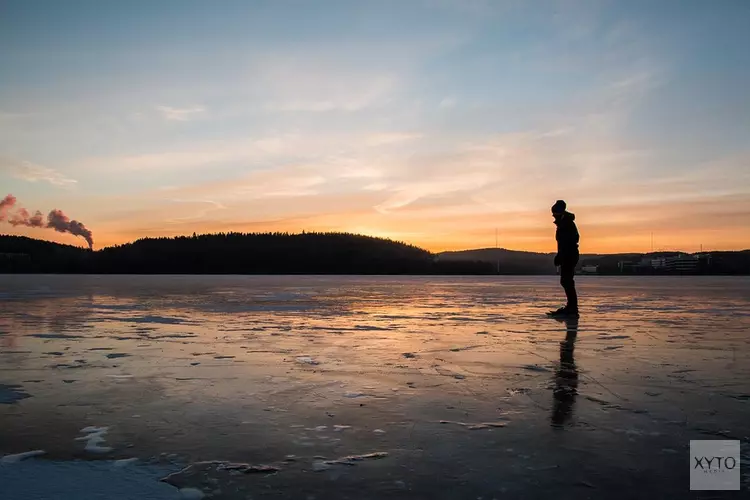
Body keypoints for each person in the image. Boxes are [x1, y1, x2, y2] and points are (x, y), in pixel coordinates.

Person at [550, 200, 579, 316]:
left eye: (554, 213)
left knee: (567, 281)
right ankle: (571, 307)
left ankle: (572, 309)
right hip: (566, 255)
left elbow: (569, 242)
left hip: (569, 255)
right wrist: (559, 255)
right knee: (566, 281)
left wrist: (561, 255)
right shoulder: (563, 223)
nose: (553, 216)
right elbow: (562, 242)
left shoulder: (567, 223)